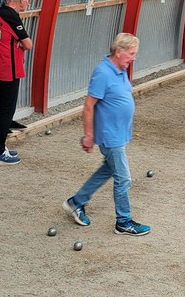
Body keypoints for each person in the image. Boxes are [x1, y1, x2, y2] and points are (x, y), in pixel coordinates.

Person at [62, 33, 151, 236]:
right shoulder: (103, 73)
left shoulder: (120, 69)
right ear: (119, 52)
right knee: (123, 178)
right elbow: (88, 106)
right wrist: (88, 135)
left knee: (108, 169)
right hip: (111, 136)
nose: (134, 58)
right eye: (131, 54)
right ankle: (123, 222)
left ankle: (76, 202)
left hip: (119, 133)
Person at [0, 0, 33, 164]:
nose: (28, 3)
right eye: (27, 0)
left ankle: (0, 147)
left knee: (4, 107)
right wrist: (20, 43)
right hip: (10, 68)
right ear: (21, 0)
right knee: (7, 109)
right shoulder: (11, 16)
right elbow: (28, 44)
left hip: (0, 65)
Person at [0, 0, 28, 134]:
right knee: (6, 99)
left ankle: (5, 121)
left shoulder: (7, 12)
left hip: (7, 61)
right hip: (7, 63)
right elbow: (26, 42)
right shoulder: (7, 13)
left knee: (6, 98)